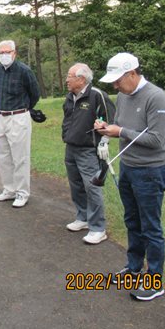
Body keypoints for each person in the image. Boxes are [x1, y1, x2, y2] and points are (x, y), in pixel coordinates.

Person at [95, 52, 165, 301]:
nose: (115, 86)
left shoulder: (156, 97)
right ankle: (134, 268)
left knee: (150, 226)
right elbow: (121, 126)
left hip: (150, 171)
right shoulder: (123, 95)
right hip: (128, 166)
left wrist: (121, 131)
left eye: (118, 80)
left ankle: (155, 280)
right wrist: (107, 129)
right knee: (132, 220)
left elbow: (156, 140)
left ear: (131, 74)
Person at [62, 63, 115, 244]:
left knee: (92, 187)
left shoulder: (97, 95)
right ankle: (83, 217)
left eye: (70, 76)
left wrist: (104, 141)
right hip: (71, 147)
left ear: (81, 79)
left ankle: (98, 228)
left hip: (89, 149)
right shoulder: (70, 97)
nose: (67, 80)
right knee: (76, 185)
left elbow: (110, 121)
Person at [0, 40, 40, 208]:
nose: (4, 55)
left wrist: (25, 108)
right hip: (0, 116)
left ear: (14, 53)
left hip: (18, 116)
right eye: (1, 53)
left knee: (20, 157)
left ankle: (22, 192)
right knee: (3, 155)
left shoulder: (24, 71)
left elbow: (35, 94)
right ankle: (9, 189)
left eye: (8, 52)